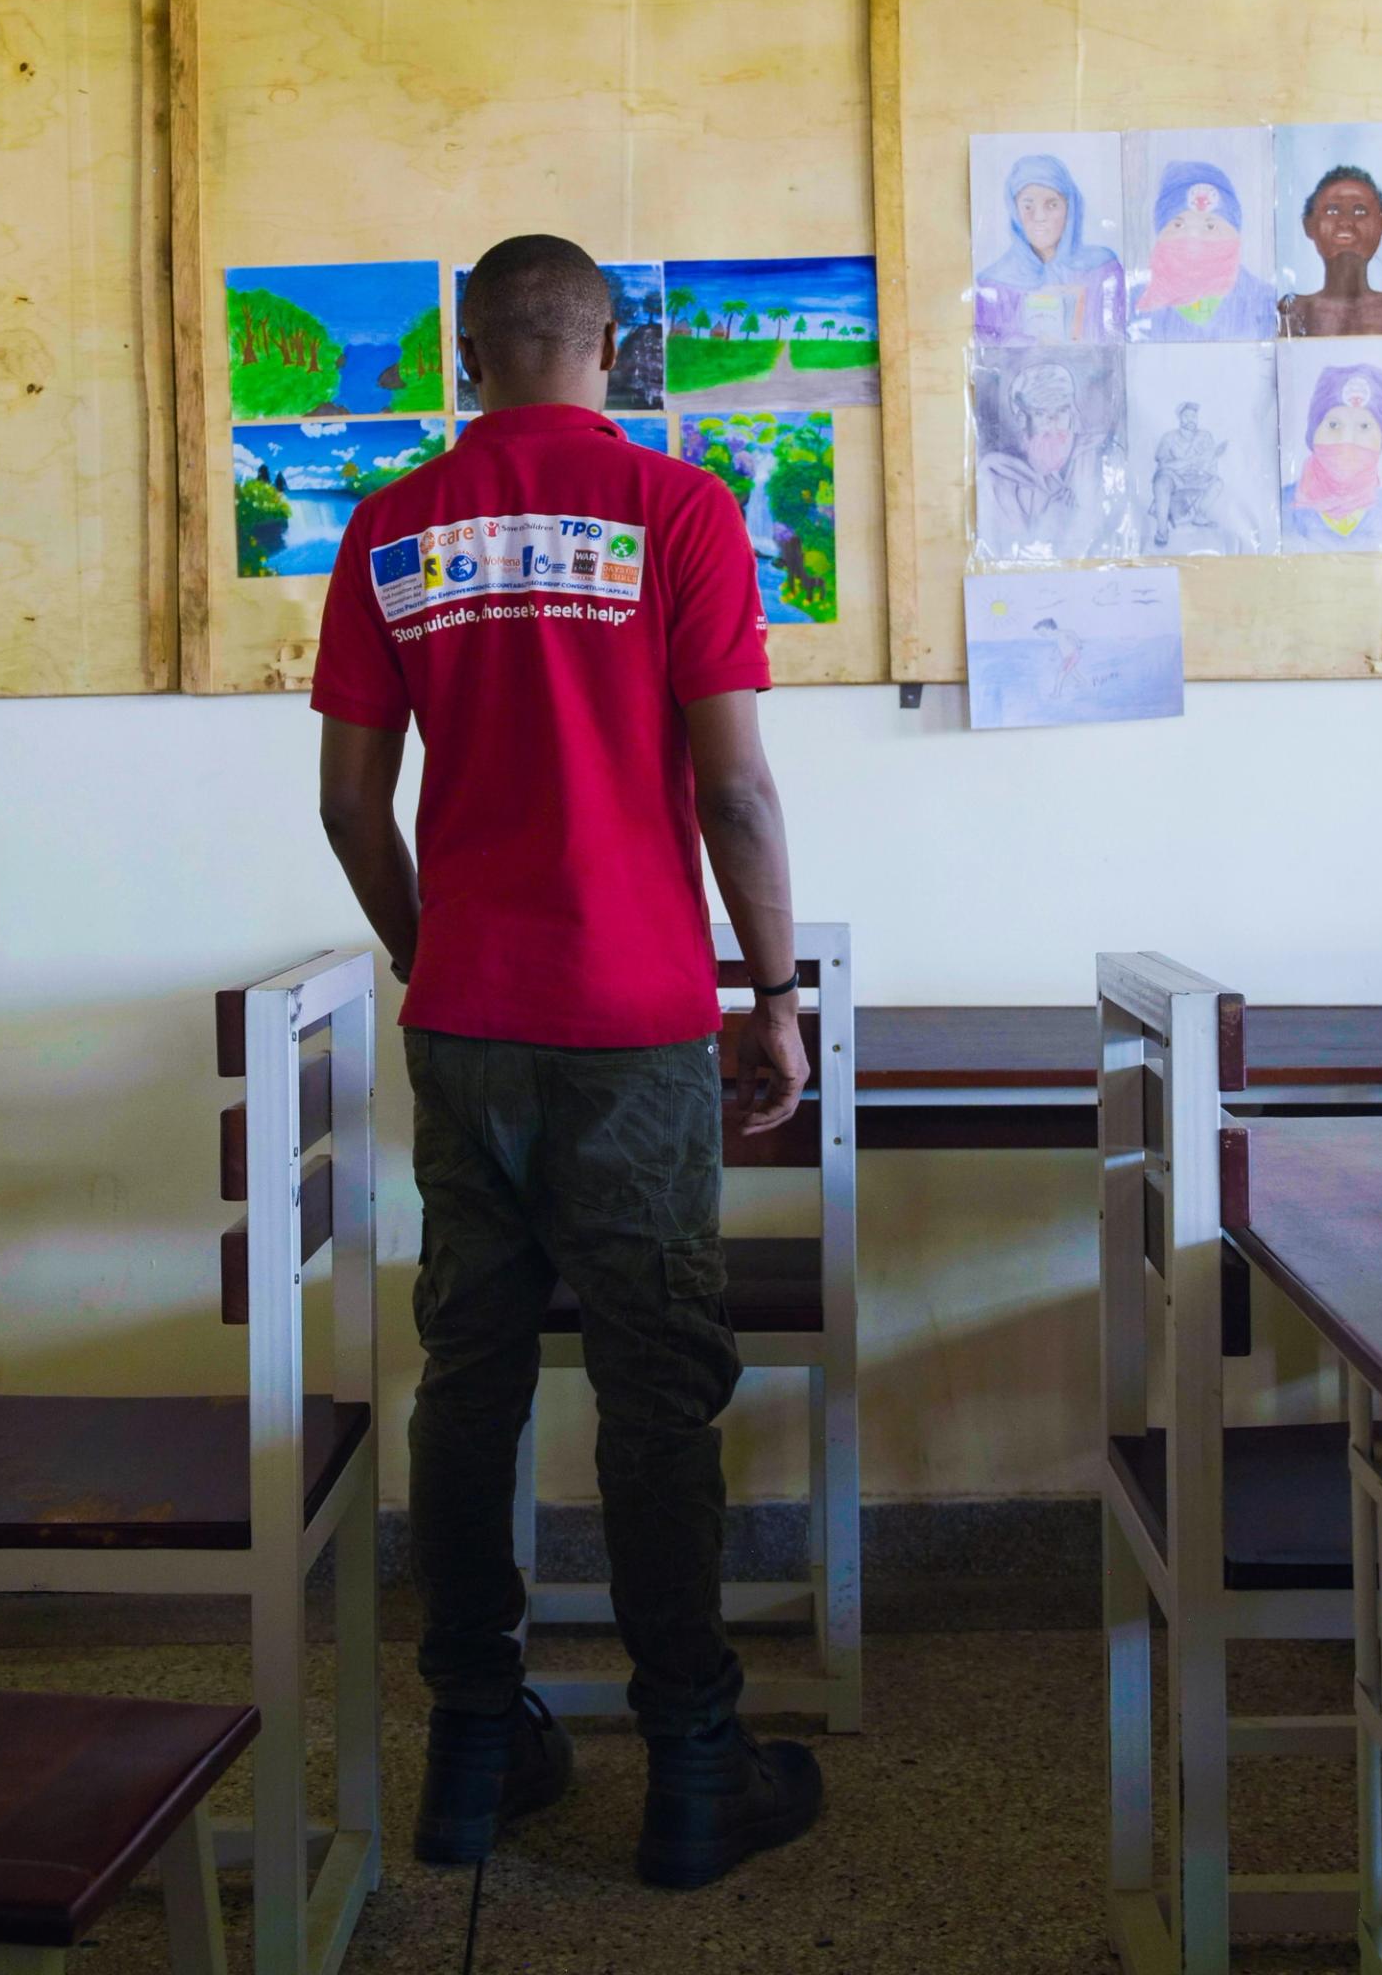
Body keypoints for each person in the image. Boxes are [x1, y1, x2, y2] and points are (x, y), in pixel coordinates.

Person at [312, 235, 824, 1891]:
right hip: (630, 1025)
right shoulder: (677, 513)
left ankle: (474, 1749)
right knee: (658, 1379)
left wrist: (426, 947)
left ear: (468, 357)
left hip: (469, 1025)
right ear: (615, 346)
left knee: (471, 1372)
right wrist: (775, 992)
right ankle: (691, 1767)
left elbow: (346, 804)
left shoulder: (389, 526)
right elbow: (735, 791)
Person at [1280, 357, 1382, 549]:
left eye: (1364, 426)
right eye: (1333, 425)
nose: (1347, 441)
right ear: (1313, 432)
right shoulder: (1279, 510)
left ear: (1381, 440)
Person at [973, 151, 1123, 344]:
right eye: (1028, 206)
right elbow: (987, 357)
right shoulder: (993, 282)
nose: (1039, 217)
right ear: (1014, 211)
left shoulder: (1102, 269)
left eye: (1051, 205)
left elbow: (1115, 344)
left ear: (1069, 208)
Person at [974, 354, 1114, 557]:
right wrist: (1051, 521)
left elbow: (1107, 533)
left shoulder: (1097, 455)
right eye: (1041, 413)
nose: (1053, 422)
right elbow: (1005, 552)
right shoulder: (998, 474)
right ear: (1023, 419)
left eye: (1062, 410)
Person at [1275, 164, 1382, 337]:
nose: (1346, 221)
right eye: (1332, 210)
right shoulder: (1293, 311)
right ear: (1309, 225)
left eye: (1360, 210)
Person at [1128, 159, 1262, 340]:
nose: (1194, 240)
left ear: (1235, 232)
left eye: (1210, 227)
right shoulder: (1134, 305)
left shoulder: (1261, 300)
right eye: (1178, 225)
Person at [1144, 397, 1237, 550]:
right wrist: (1190, 461)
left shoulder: (1205, 436)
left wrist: (1211, 457)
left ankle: (1199, 515)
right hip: (1174, 478)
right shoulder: (1169, 438)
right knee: (1161, 482)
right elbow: (1163, 464)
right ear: (1179, 418)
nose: (1190, 419)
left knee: (1217, 483)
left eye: (1193, 416)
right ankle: (1162, 531)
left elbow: (1210, 463)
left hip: (1197, 477)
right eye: (1186, 416)